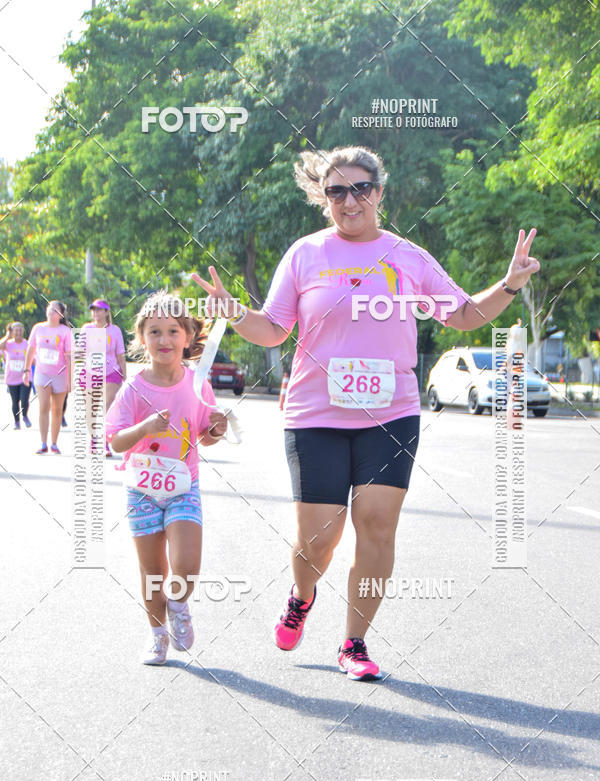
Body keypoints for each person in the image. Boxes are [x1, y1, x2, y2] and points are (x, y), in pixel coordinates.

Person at [192, 145, 540, 681]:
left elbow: (465, 314)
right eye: (336, 191)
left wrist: (511, 283)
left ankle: (354, 642)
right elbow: (274, 328)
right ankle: (301, 595)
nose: (349, 200)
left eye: (359, 189)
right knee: (319, 537)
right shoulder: (306, 254)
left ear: (378, 192)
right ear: (323, 198)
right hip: (316, 414)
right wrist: (235, 311)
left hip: (390, 414)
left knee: (376, 526)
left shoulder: (407, 256)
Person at [105, 291, 227, 665]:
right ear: (142, 338)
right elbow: (114, 442)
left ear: (188, 337)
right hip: (141, 490)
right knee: (153, 570)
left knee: (187, 566)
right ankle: (157, 636)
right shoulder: (133, 388)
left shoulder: (197, 384)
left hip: (183, 488)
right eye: (154, 332)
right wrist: (145, 426)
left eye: (173, 331)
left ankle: (178, 604)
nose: (164, 340)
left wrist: (217, 430)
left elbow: (202, 435)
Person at [79, 298, 127, 456]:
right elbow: (81, 351)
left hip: (111, 372)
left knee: (107, 407)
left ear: (107, 312)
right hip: (90, 372)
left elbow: (120, 354)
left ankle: (105, 443)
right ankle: (94, 440)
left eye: (99, 310)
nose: (96, 313)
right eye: (93, 310)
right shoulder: (87, 329)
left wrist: (124, 375)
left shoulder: (115, 330)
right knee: (90, 409)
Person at [24, 301, 72, 454]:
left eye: (55, 310)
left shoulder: (65, 331)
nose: (51, 312)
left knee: (57, 410)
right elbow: (31, 350)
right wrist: (26, 371)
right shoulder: (38, 328)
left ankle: (54, 443)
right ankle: (43, 443)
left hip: (60, 374)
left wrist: (70, 380)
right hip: (42, 373)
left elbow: (70, 357)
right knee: (43, 406)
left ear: (61, 315)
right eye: (49, 309)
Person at [0, 322, 31, 429]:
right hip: (11, 378)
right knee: (15, 401)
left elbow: (33, 356)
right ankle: (16, 422)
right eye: (15, 330)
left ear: (23, 331)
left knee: (24, 399)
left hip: (25, 377)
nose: (18, 332)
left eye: (20, 330)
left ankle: (25, 416)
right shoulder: (8, 344)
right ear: (12, 332)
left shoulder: (27, 344)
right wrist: (7, 336)